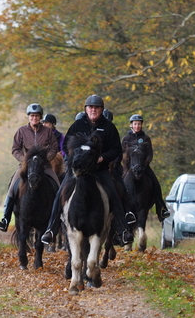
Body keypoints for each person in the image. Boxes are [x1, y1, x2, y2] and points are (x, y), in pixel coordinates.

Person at [41, 94, 136, 246]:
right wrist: (76, 155)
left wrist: (102, 158)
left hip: (99, 170)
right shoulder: (77, 125)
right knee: (60, 193)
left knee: (113, 193)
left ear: (101, 110)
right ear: (86, 109)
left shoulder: (109, 128)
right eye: (90, 107)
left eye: (96, 107)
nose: (93, 110)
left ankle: (123, 230)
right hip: (77, 170)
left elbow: (116, 149)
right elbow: (66, 146)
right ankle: (51, 230)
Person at [0, 103, 60, 232]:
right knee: (13, 188)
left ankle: (59, 220)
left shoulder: (47, 131)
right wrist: (24, 160)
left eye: (36, 116)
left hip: (44, 166)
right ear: (28, 117)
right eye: (32, 116)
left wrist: (46, 159)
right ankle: (5, 218)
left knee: (58, 188)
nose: (34, 118)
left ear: (40, 117)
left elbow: (54, 148)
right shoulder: (21, 131)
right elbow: (15, 149)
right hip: (25, 166)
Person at [121, 114, 170, 222]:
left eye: (139, 124)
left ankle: (161, 209)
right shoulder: (126, 138)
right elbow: (122, 153)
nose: (137, 126)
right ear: (131, 125)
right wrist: (127, 165)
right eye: (135, 124)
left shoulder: (145, 138)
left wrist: (144, 164)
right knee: (119, 184)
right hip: (128, 168)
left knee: (156, 183)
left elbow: (149, 154)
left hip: (143, 167)